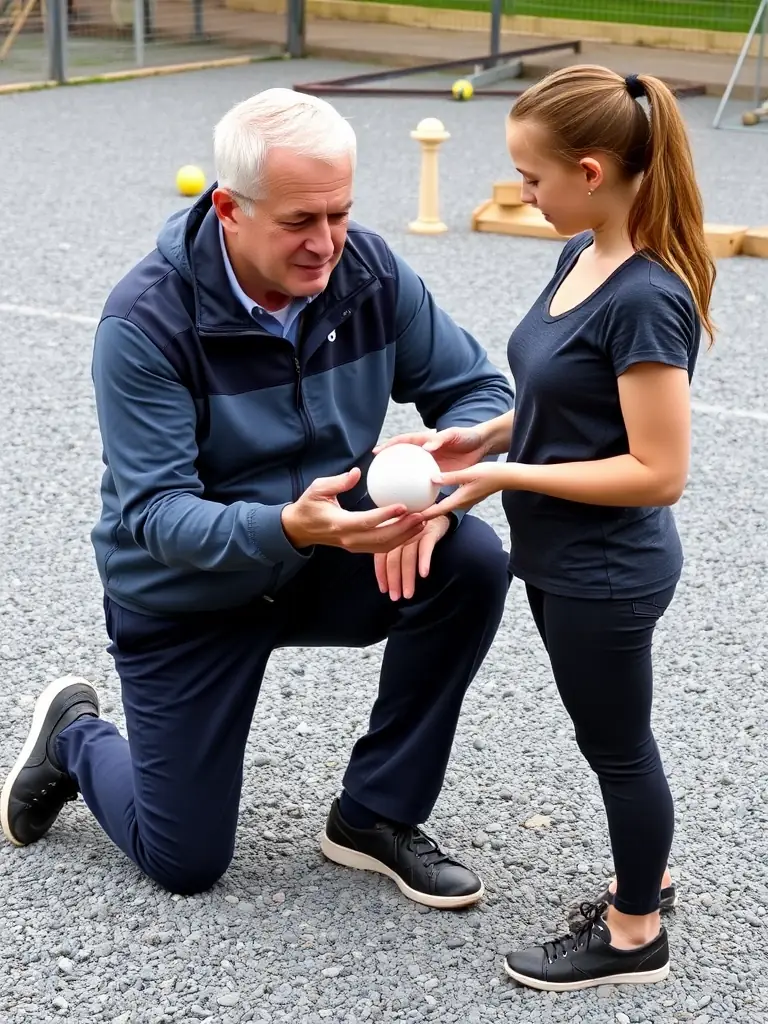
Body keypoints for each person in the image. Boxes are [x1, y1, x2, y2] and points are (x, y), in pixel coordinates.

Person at [0, 88, 515, 906]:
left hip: (321, 556)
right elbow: (157, 516)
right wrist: (289, 526)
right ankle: (75, 738)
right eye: (299, 222)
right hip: (187, 595)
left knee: (472, 561)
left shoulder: (371, 271)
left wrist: (441, 498)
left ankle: (374, 816)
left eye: (339, 213)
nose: (327, 244)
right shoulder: (144, 324)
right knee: (185, 863)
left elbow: (482, 393)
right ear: (229, 208)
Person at [377, 65, 714, 989]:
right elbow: (562, 392)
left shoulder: (646, 296)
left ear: (594, 171)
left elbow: (660, 471)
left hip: (606, 570)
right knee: (612, 736)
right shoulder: (581, 254)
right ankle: (649, 875)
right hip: (565, 557)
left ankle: (635, 931)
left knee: (617, 746)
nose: (524, 191)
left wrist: (501, 473)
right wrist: (482, 432)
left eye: (533, 176)